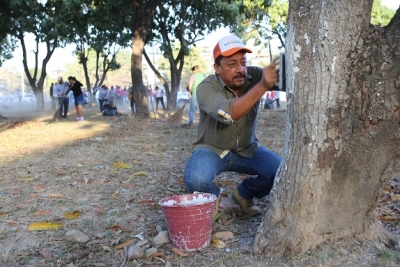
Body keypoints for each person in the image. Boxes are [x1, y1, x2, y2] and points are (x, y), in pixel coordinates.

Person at [183, 34, 281, 216]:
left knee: (280, 172)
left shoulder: (255, 76)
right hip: (212, 149)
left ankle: (244, 194)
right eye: (231, 64)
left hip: (247, 149)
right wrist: (263, 86)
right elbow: (230, 113)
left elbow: (287, 81)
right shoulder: (206, 87)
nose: (241, 69)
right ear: (217, 68)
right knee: (197, 179)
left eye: (243, 62)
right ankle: (213, 199)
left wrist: (285, 63)